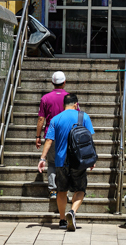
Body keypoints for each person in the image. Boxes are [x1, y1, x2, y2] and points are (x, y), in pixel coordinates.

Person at [38, 93, 95, 231]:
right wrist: (92, 158)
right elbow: (89, 140)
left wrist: (42, 158)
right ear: (76, 104)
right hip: (79, 161)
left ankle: (62, 219)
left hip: (60, 161)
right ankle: (73, 212)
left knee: (61, 191)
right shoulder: (84, 116)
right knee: (80, 190)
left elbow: (49, 140)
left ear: (64, 105)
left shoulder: (56, 119)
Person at [36, 71, 68, 200]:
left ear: (52, 83)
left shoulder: (45, 98)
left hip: (51, 135)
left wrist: (38, 136)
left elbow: (40, 119)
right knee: (66, 163)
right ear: (64, 82)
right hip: (66, 134)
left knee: (52, 163)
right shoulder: (70, 98)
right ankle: (63, 189)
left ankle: (53, 190)